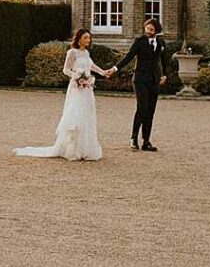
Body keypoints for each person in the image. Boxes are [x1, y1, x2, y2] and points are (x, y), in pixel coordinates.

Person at [14, 30, 111, 160]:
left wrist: (103, 72)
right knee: (76, 114)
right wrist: (76, 76)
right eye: (85, 38)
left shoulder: (86, 53)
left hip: (87, 88)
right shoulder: (72, 52)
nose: (88, 40)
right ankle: (72, 149)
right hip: (76, 88)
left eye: (89, 38)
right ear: (79, 39)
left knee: (87, 115)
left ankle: (85, 148)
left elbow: (91, 66)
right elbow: (66, 69)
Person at [114, 17, 169, 150]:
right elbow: (129, 56)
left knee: (150, 111)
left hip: (154, 79)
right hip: (140, 79)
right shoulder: (139, 41)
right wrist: (115, 68)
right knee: (142, 108)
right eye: (147, 28)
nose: (148, 31)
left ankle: (146, 141)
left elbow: (164, 59)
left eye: (151, 29)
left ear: (156, 30)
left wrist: (164, 74)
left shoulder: (161, 42)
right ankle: (133, 138)